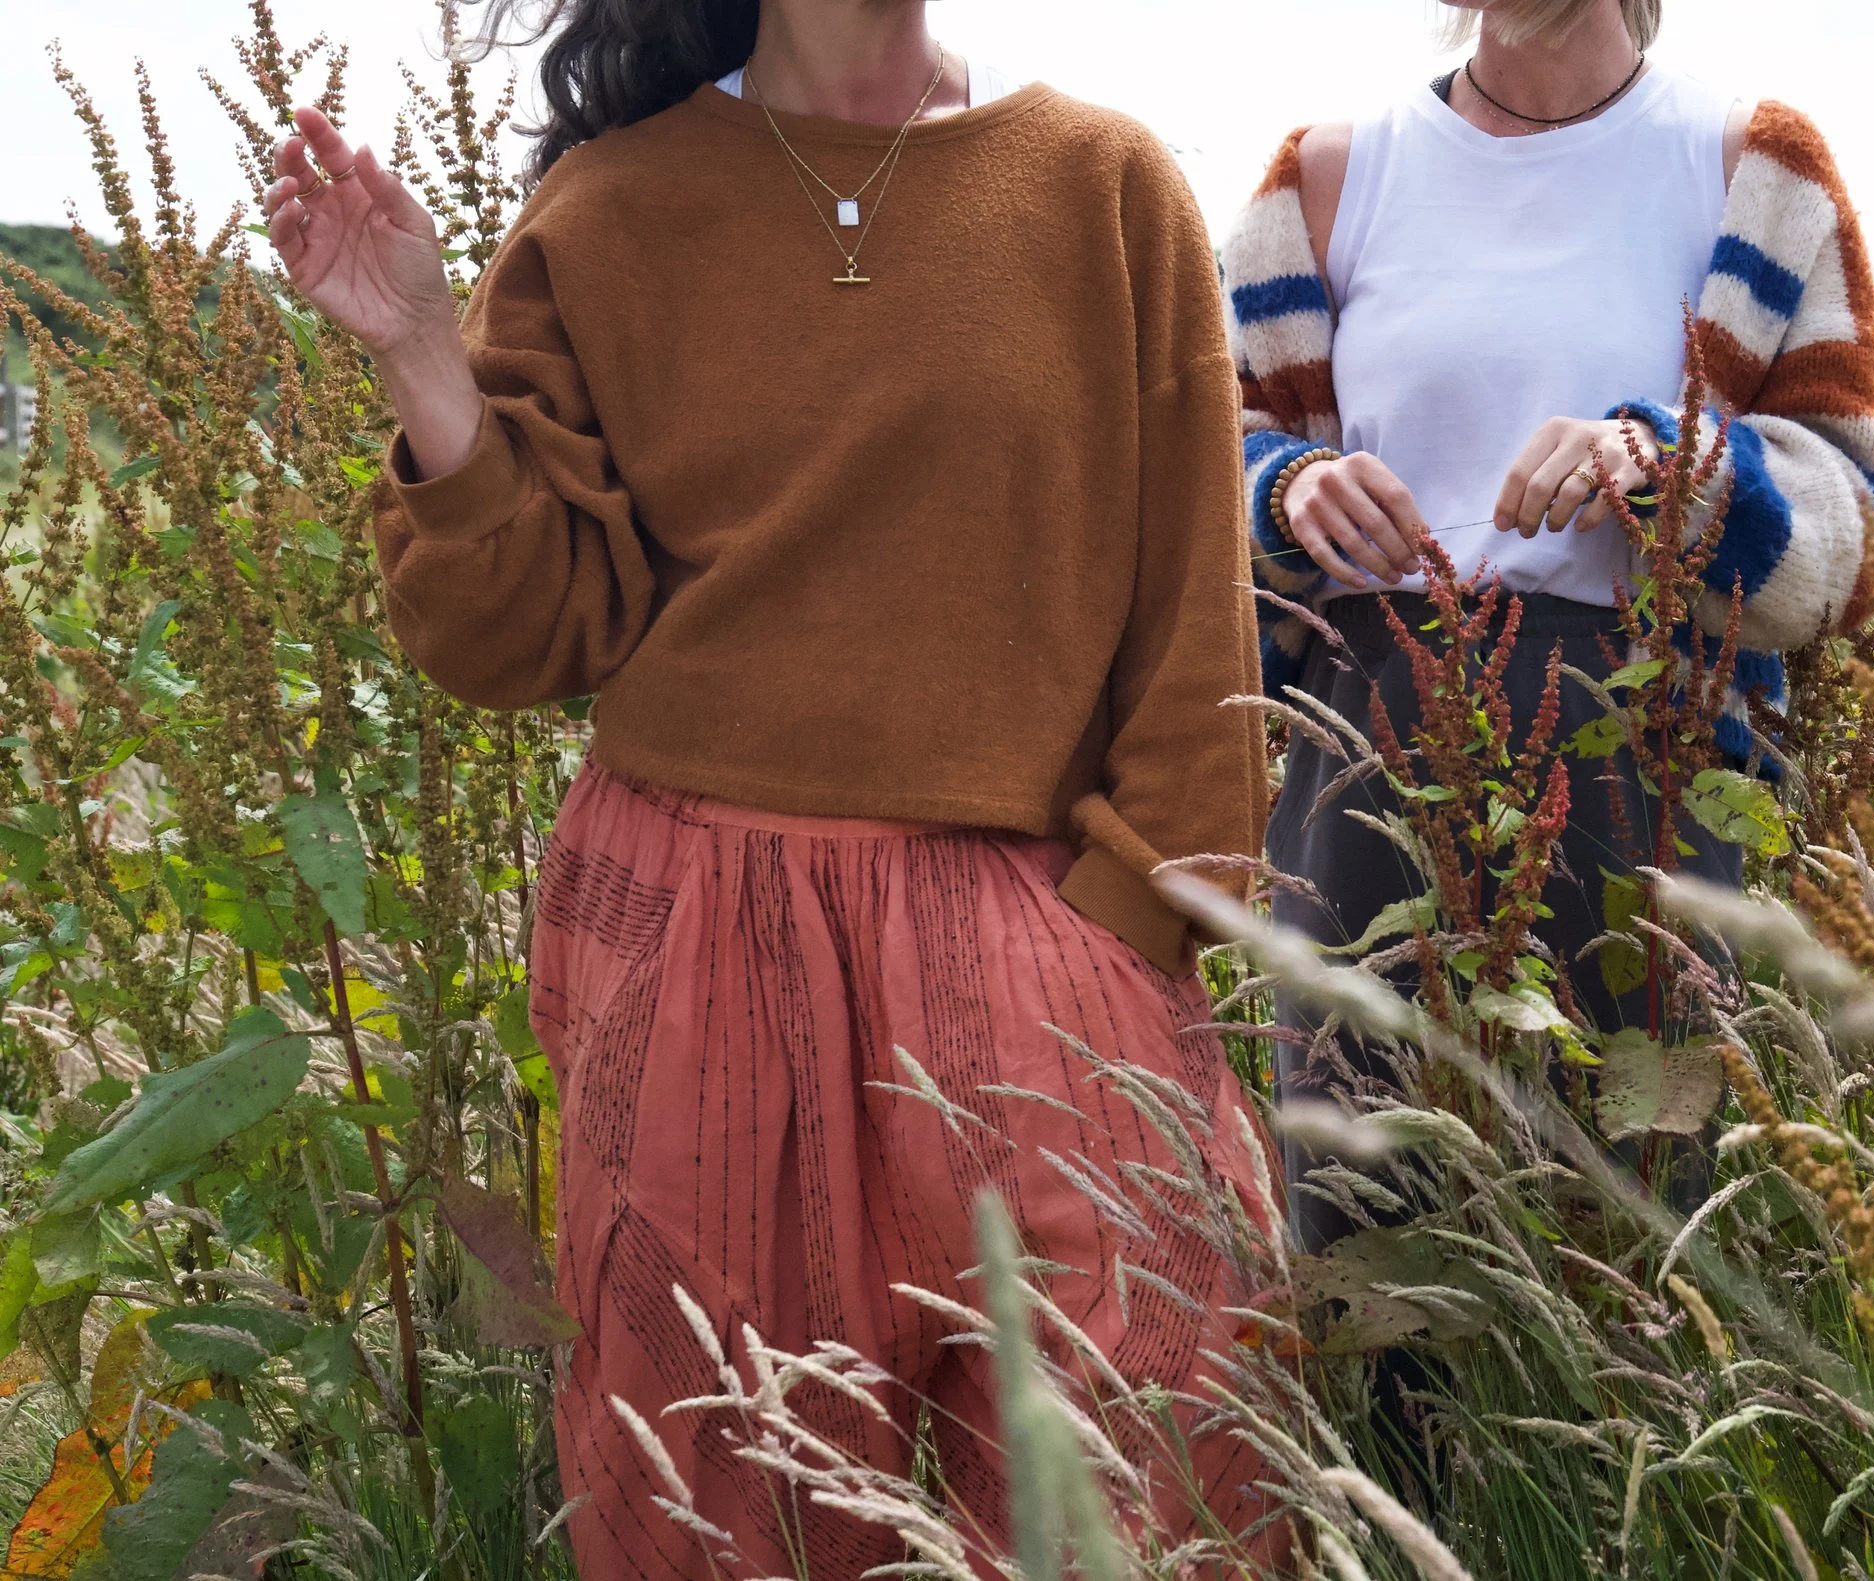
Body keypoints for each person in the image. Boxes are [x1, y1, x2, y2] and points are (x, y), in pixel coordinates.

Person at [259, 1, 1271, 1572]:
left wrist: (1129, 934)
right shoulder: (612, 208)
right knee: (717, 1498)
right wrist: (415, 349)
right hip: (695, 936)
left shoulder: (1102, 184)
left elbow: (1198, 622)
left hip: (1042, 949)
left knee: (1142, 1471)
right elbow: (523, 632)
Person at [1226, 0, 1874, 1247]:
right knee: (1365, 1243)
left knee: (1642, 1258)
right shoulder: (1325, 178)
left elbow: (1869, 526)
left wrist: (1668, 467)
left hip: (1644, 760)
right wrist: (1284, 488)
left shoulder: (1751, 172)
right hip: (1366, 757)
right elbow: (1187, 477)